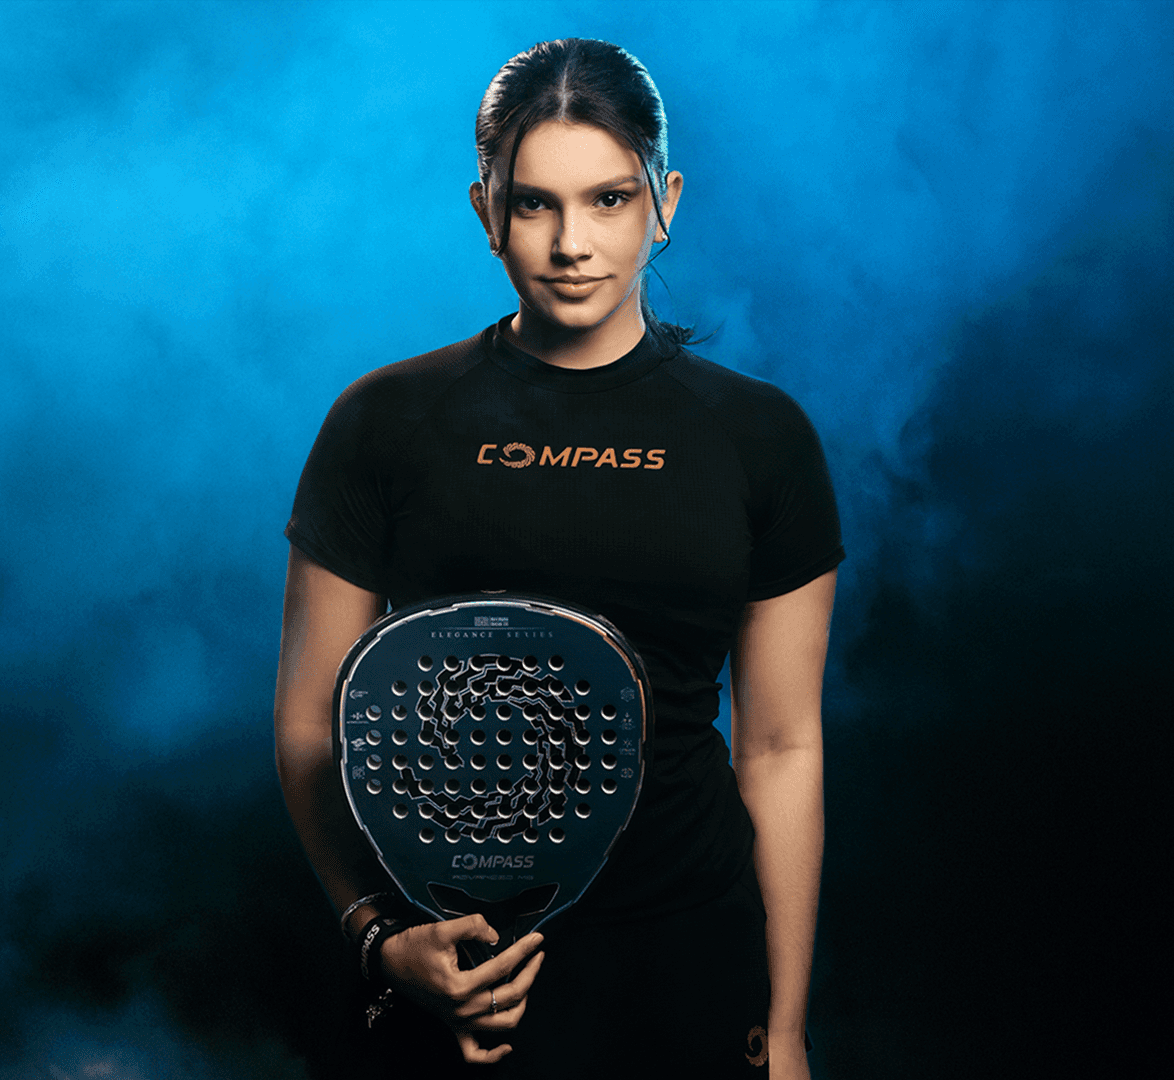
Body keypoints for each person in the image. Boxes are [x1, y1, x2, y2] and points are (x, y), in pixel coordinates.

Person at [274, 38, 839, 1078]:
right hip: (460, 963)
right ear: (485, 212)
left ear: (664, 202)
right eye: (534, 204)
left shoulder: (761, 438)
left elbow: (779, 746)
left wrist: (788, 1026)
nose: (572, 243)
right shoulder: (383, 422)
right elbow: (312, 727)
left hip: (686, 958)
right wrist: (381, 938)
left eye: (609, 199)